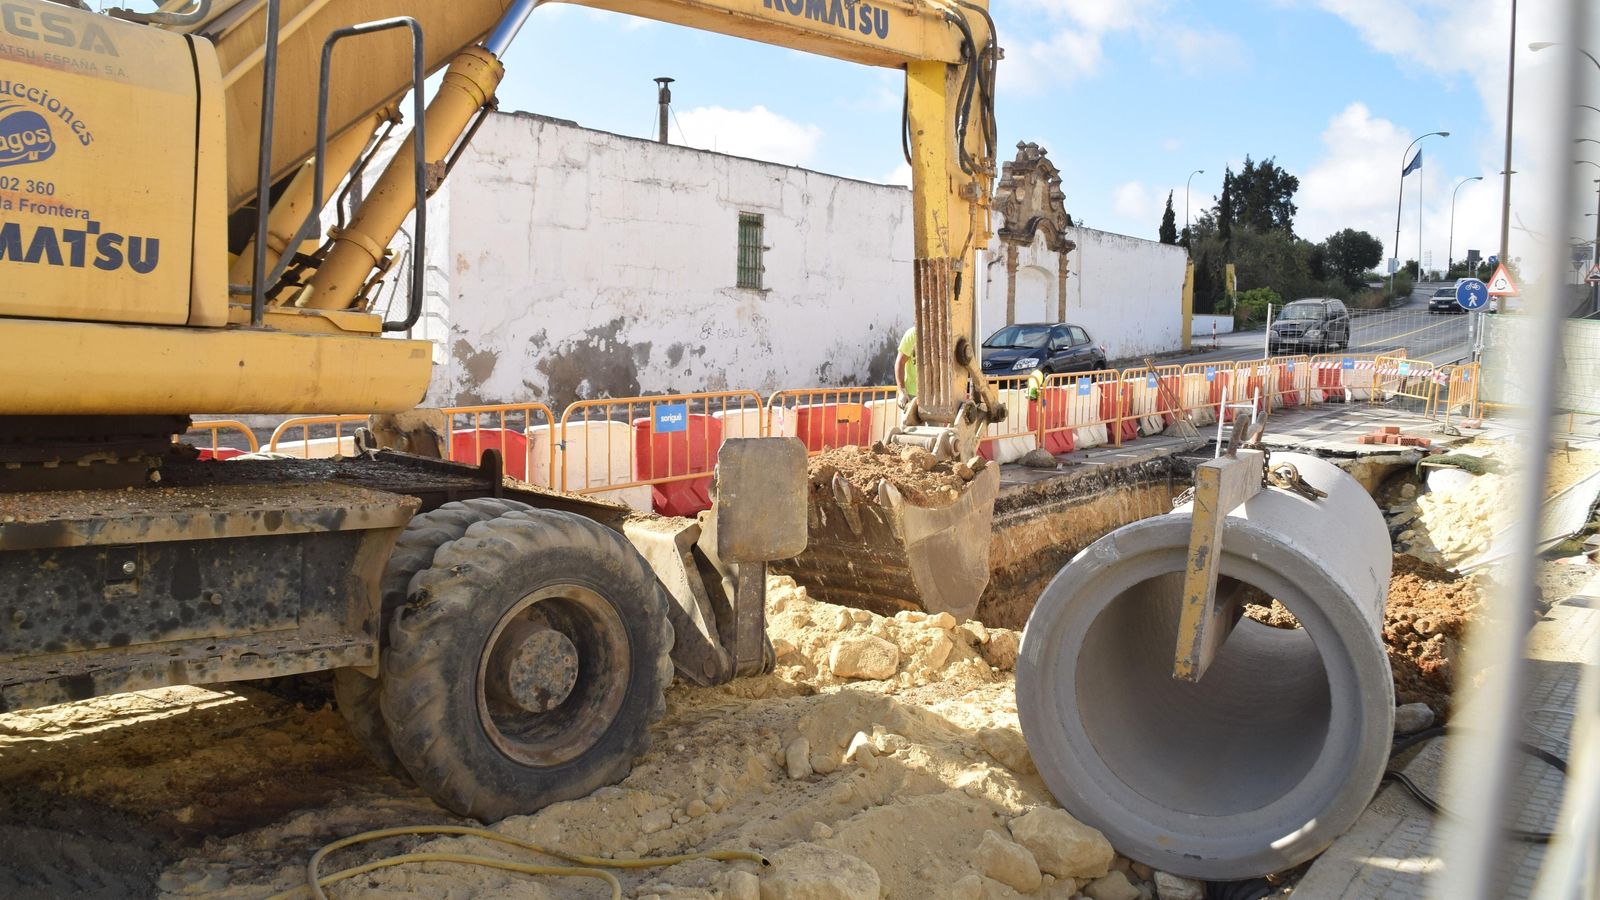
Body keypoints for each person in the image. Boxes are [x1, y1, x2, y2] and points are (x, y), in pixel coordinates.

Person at [895, 326, 917, 409]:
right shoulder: (913, 334)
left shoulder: (942, 334)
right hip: (912, 395)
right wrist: (902, 391)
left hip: (934, 396)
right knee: (909, 422)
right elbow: (900, 362)